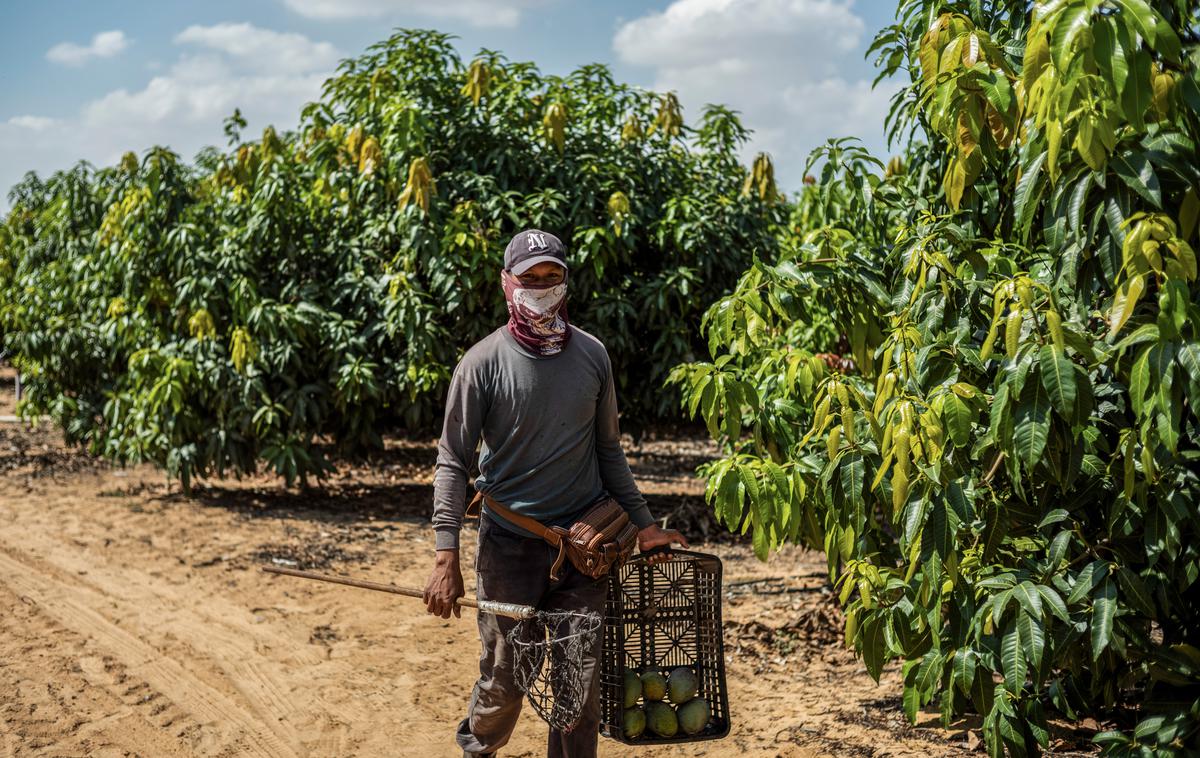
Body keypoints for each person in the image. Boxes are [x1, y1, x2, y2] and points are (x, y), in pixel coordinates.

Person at [423, 228, 688, 757]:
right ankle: (479, 747)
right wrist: (444, 555)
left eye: (552, 277)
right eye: (530, 278)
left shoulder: (592, 356)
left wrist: (645, 525)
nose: (541, 287)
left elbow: (609, 451)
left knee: (579, 692)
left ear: (567, 282)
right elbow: (453, 460)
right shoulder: (481, 364)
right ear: (507, 284)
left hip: (585, 550)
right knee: (504, 685)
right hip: (510, 547)